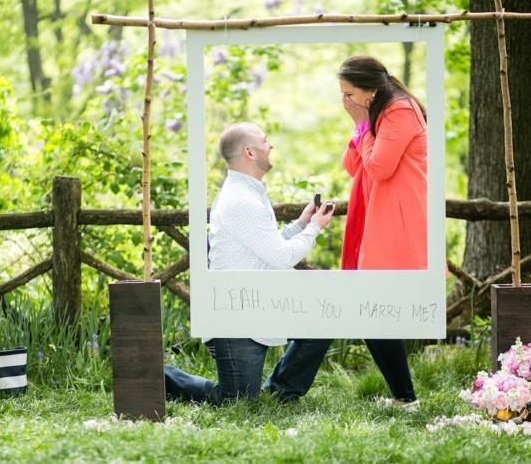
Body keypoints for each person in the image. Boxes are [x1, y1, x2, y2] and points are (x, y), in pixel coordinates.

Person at [268, 56, 425, 406]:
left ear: (371, 89)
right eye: (342, 94)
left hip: (395, 219)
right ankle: (405, 397)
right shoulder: (378, 115)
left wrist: (364, 124)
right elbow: (354, 165)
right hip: (374, 212)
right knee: (368, 307)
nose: (345, 102)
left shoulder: (399, 111)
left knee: (369, 306)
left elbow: (380, 167)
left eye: (349, 93)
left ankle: (406, 397)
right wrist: (362, 126)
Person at [164, 122, 335, 404]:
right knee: (237, 400)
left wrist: (303, 223)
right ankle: (161, 376)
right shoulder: (241, 200)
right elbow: (282, 258)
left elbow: (268, 248)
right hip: (236, 316)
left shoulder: (250, 191)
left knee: (323, 321)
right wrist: (315, 228)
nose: (271, 146)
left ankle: (282, 390)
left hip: (264, 303)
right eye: (265, 141)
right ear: (250, 152)